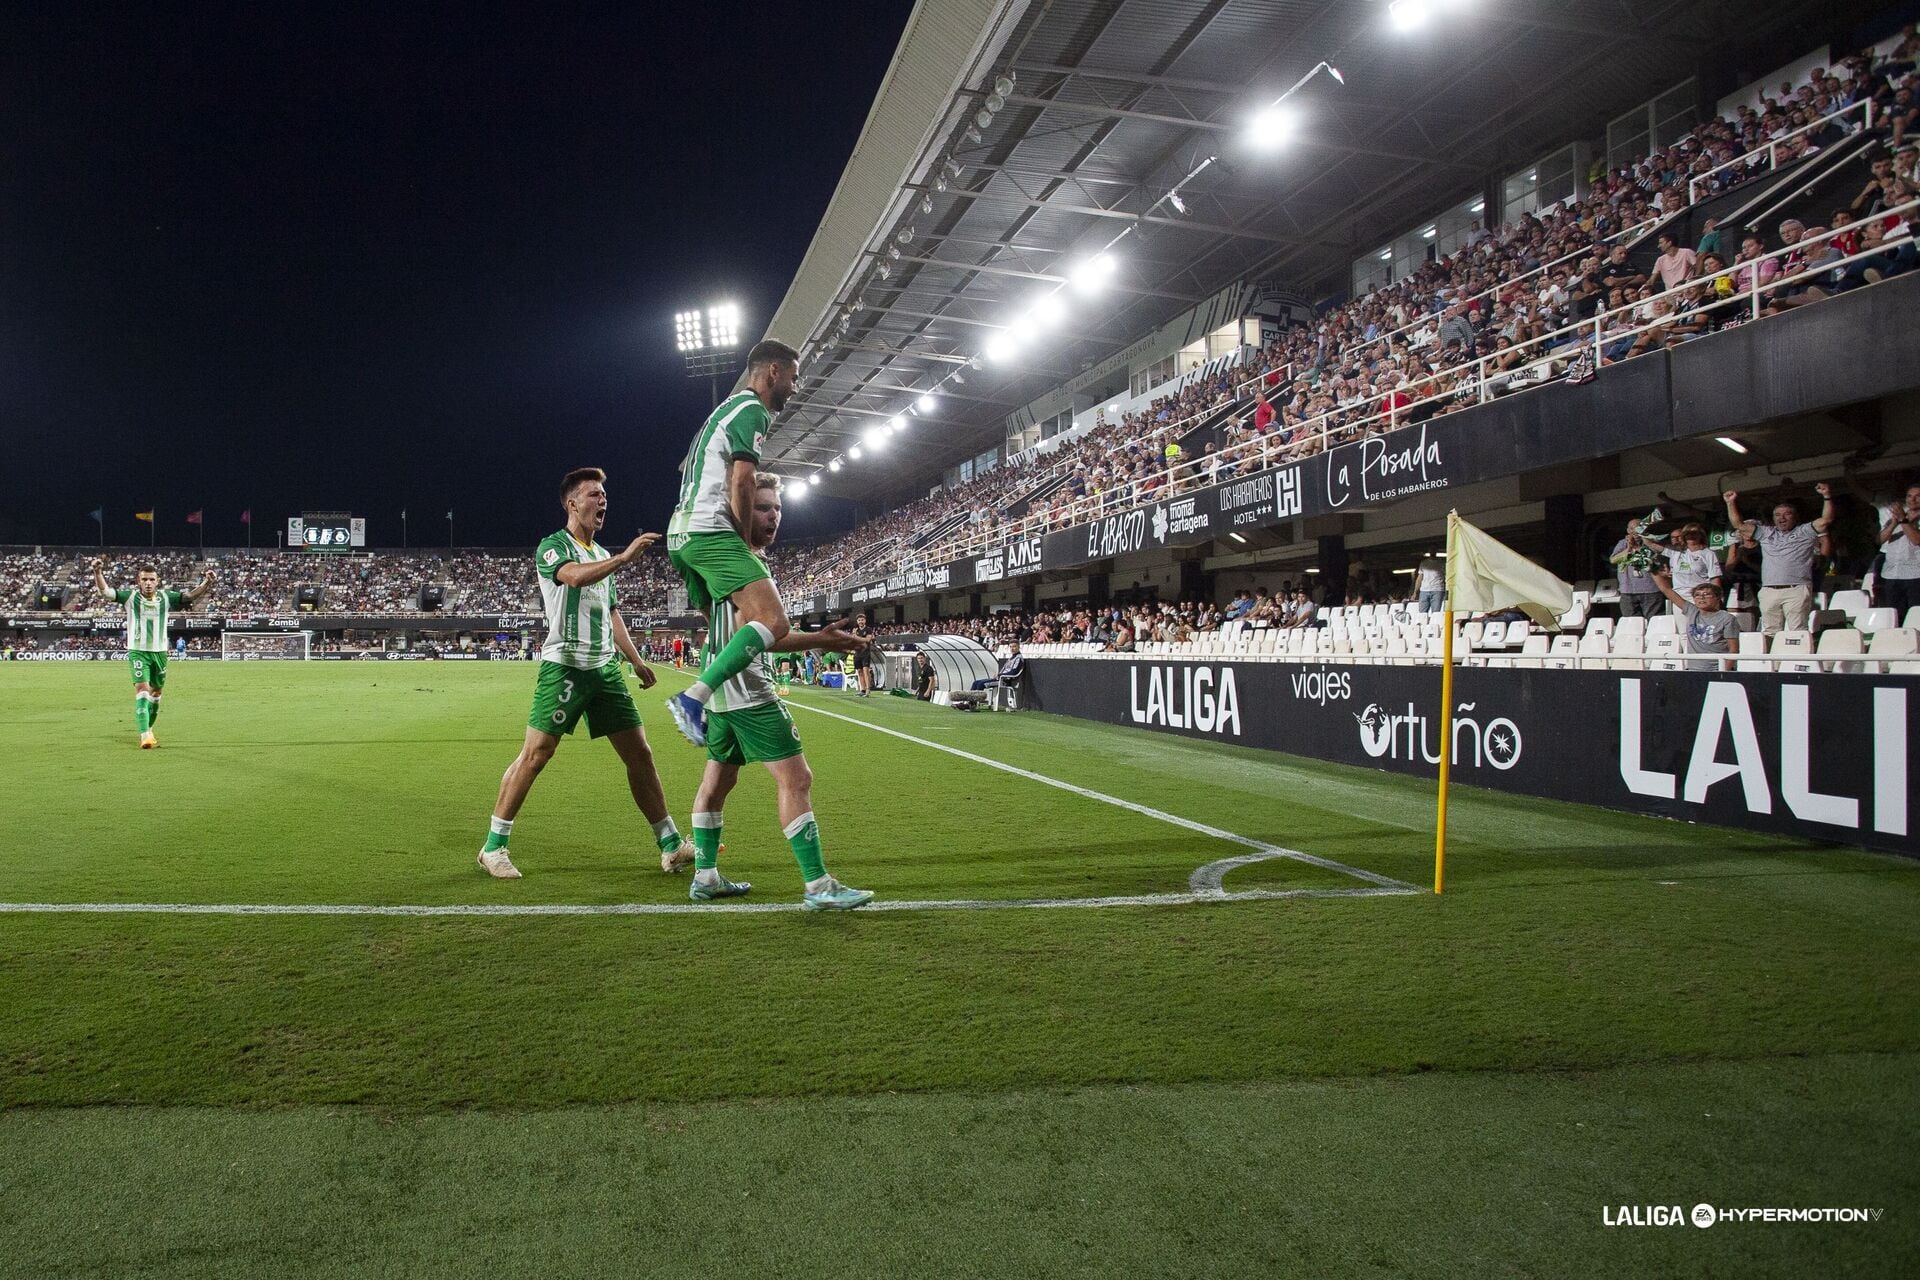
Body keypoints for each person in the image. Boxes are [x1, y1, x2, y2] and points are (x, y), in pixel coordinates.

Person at [476, 467, 684, 881]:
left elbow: (611, 613)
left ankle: (671, 845)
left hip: (605, 669)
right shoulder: (554, 547)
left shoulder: (599, 552)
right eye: (594, 494)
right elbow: (571, 578)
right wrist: (623, 559)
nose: (602, 500)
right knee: (537, 755)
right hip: (566, 666)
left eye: (604, 494)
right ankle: (493, 847)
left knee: (639, 755)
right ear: (572, 503)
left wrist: (636, 660)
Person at [687, 474, 874, 910]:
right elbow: (750, 633)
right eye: (762, 507)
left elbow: (751, 630)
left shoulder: (724, 560)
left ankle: (706, 875)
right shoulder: (742, 564)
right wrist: (819, 639)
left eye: (777, 509)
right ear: (741, 508)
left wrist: (815, 636)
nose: (773, 516)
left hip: (720, 690)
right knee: (797, 779)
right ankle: (817, 885)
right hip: (747, 687)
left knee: (718, 780)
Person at [664, 339, 801, 748]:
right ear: (773, 371)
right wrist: (743, 543)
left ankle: (714, 710)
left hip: (680, 534)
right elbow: (743, 479)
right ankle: (693, 698)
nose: (796, 387)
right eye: (794, 377)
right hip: (710, 531)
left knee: (725, 626)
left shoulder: (723, 411)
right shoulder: (752, 410)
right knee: (775, 621)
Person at [92, 557, 214, 748]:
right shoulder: (131, 597)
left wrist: (207, 582)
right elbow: (106, 592)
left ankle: (148, 729)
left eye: (151, 579)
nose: (148, 583)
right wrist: (98, 573)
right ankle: (144, 735)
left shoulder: (166, 597)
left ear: (157, 581)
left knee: (156, 693)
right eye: (144, 579)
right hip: (138, 652)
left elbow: (189, 597)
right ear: (138, 581)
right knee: (142, 690)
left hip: (160, 653)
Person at [1725, 483, 1834, 633]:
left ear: (1795, 517)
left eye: (1787, 514)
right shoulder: (1765, 532)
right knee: (1769, 632)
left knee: (1797, 631)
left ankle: (1796, 657)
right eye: (1777, 515)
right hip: (1769, 590)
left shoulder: (1805, 531)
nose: (1782, 518)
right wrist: (1730, 503)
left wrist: (1827, 496)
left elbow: (1826, 520)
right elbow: (1739, 524)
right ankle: (1774, 658)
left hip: (1796, 588)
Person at [1650, 570, 1740, 668]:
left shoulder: (1727, 618)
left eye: (1707, 594)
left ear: (1718, 598)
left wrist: (1724, 673)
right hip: (1693, 670)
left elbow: (1733, 650)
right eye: (1697, 595)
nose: (1701, 598)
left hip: (1716, 670)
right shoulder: (1692, 611)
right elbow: (1666, 589)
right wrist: (1650, 569)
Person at [1876, 482, 1920, 616]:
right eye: (1909, 496)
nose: (1912, 500)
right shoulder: (1898, 516)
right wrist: (1895, 523)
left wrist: (1903, 520)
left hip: (1915, 574)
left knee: (1915, 614)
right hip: (1892, 573)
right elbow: (1879, 540)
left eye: (1918, 496)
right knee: (1894, 615)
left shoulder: (1904, 518)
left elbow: (1916, 540)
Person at [1608, 518, 1665, 617]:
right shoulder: (1622, 543)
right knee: (1632, 624)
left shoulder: (1651, 542)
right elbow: (1613, 560)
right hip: (1628, 590)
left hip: (1651, 590)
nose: (1634, 532)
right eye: (1631, 529)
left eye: (1638, 528)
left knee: (1654, 621)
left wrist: (1637, 546)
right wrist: (1629, 548)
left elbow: (1651, 561)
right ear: (1628, 530)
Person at [851, 612, 874, 696]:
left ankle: (868, 689)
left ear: (865, 621)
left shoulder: (868, 629)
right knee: (859, 671)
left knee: (865, 671)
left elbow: (867, 640)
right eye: (859, 620)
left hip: (865, 653)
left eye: (862, 620)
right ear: (857, 621)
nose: (861, 621)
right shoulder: (855, 630)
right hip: (857, 654)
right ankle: (862, 689)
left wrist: (856, 637)